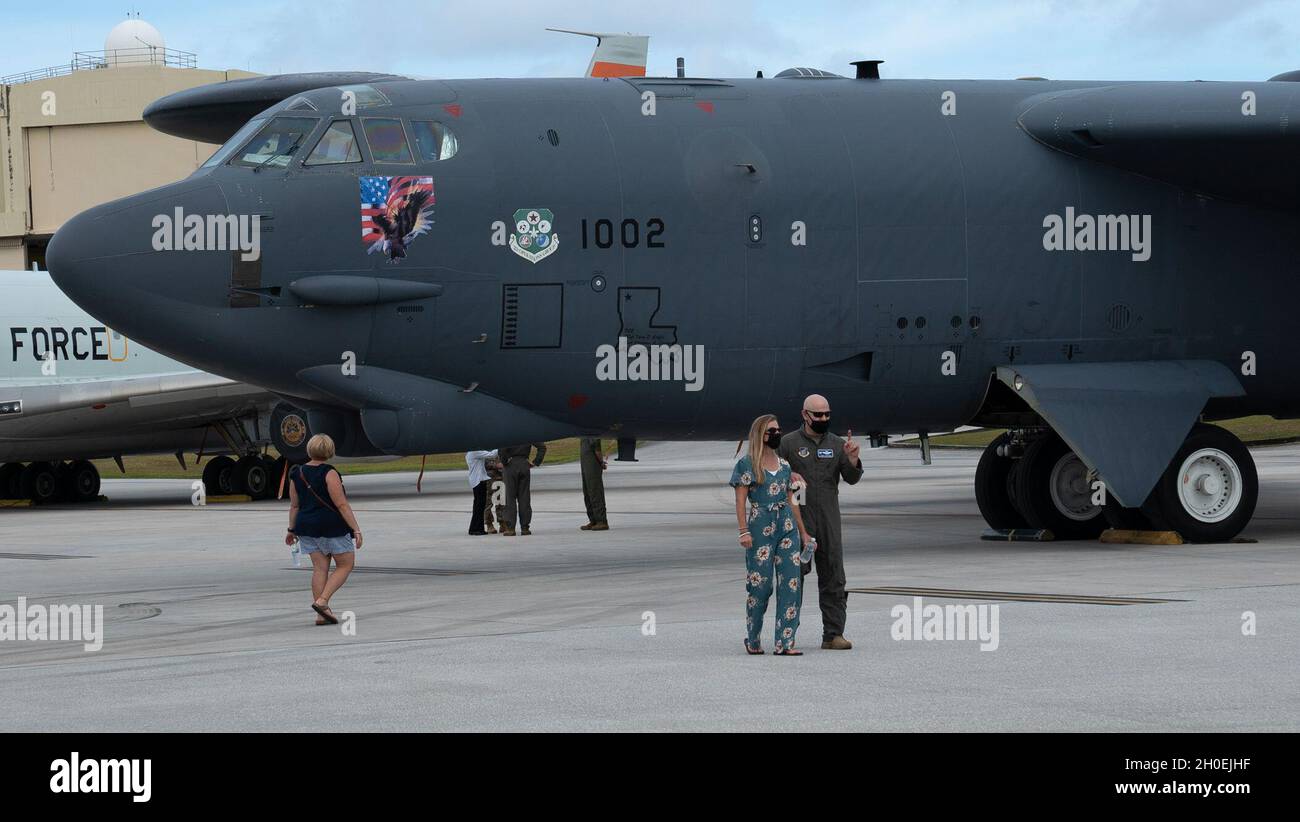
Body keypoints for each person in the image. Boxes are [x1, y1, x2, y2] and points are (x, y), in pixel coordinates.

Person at [778, 394, 862, 650]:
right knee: (794, 577)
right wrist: (786, 474)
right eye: (818, 415)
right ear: (805, 415)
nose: (823, 419)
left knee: (834, 575)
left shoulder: (837, 444)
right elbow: (772, 476)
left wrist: (853, 459)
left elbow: (851, 478)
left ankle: (833, 634)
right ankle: (787, 634)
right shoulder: (788, 444)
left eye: (827, 414)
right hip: (798, 520)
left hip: (828, 519)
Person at [731, 414, 813, 656]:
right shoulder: (747, 465)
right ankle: (753, 639)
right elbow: (740, 499)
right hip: (760, 527)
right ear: (760, 435)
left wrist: (804, 533)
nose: (776, 434)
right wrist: (743, 530)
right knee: (761, 586)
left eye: (778, 430)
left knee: (791, 584)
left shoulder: (785, 466)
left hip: (787, 525)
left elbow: (793, 500)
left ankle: (785, 643)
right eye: (771, 431)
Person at [285, 434, 363, 626]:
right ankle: (322, 601)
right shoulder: (330, 472)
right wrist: (356, 529)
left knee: (320, 568)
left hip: (306, 526)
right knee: (346, 565)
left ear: (309, 450)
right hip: (331, 525)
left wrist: (291, 529)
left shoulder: (297, 473)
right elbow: (341, 504)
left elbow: (294, 505)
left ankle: (322, 614)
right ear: (329, 451)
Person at [497, 442, 547, 536]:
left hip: (510, 465)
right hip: (524, 463)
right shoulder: (526, 431)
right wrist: (536, 461)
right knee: (524, 497)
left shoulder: (506, 432)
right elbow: (542, 447)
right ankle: (525, 527)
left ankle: (511, 527)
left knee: (510, 497)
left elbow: (502, 449)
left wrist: (504, 462)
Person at [578, 437, 609, 531]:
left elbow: (597, 449)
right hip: (585, 466)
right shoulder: (583, 434)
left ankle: (601, 521)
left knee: (595, 492)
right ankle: (593, 520)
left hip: (593, 466)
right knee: (587, 493)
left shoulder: (591, 433)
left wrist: (601, 462)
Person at [465, 449, 498, 536]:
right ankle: (477, 529)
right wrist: (500, 448)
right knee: (479, 506)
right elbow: (491, 455)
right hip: (478, 480)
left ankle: (475, 528)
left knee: (478, 507)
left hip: (477, 480)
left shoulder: (471, 452)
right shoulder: (475, 452)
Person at [483, 456, 506, 534]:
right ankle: (489, 524)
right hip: (488, 477)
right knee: (488, 503)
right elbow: (482, 462)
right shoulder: (483, 448)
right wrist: (495, 465)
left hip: (500, 477)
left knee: (501, 502)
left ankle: (502, 522)